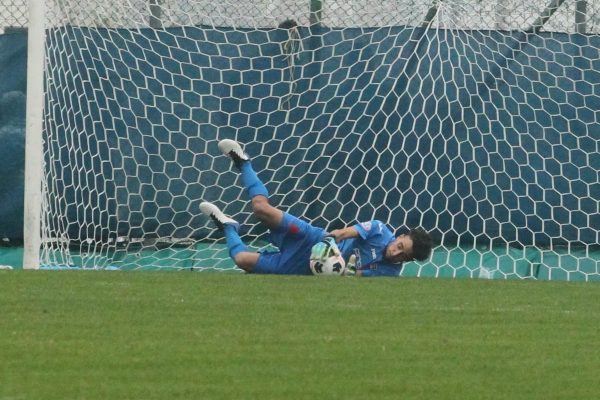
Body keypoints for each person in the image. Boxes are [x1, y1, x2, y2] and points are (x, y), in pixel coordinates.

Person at [200, 139, 433, 277]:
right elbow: (344, 232)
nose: (396, 253)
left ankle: (229, 227)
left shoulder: (390, 272)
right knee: (261, 208)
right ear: (400, 236)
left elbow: (355, 277)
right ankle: (243, 162)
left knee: (242, 261)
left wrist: (338, 267)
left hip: (306, 268)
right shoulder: (380, 230)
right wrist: (328, 245)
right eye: (400, 246)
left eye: (404, 255)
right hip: (314, 239)